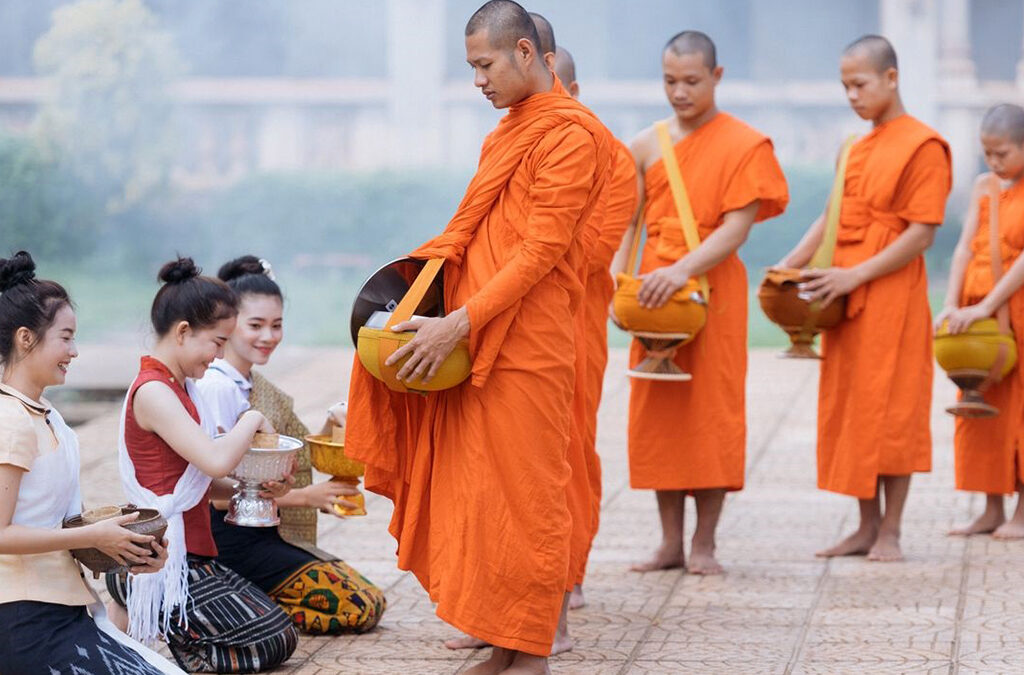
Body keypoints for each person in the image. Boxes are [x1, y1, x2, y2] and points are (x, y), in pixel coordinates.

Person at [345, 1, 613, 673]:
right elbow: (477, 232)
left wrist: (459, 322)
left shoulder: (572, 135)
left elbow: (541, 249)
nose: (477, 81)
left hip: (527, 345)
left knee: (526, 498)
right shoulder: (507, 133)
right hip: (478, 337)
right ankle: (504, 640)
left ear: (526, 53)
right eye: (472, 68)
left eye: (485, 64)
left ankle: (533, 656)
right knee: (482, 495)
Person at [611, 30, 788, 575]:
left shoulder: (744, 144)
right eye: (670, 81)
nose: (680, 92)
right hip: (653, 292)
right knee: (658, 415)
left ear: (717, 76)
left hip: (712, 289)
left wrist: (683, 269)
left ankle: (705, 542)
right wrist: (618, 283)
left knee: (711, 414)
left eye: (691, 81)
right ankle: (670, 542)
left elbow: (737, 227)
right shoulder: (644, 145)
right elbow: (628, 222)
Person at [778, 35, 951, 562]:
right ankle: (864, 526)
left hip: (891, 290)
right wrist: (792, 263)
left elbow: (921, 233)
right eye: (845, 86)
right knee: (852, 406)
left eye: (860, 84)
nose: (852, 95)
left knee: (894, 407)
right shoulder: (852, 147)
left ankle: (892, 530)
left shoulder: (924, 145)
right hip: (842, 291)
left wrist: (857, 276)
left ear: (891, 78)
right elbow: (831, 215)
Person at [107, 257, 298, 672]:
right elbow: (213, 461)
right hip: (169, 554)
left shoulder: (182, 386)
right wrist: (251, 417)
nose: (218, 354)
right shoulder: (155, 391)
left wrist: (255, 488)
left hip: (194, 552)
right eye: (216, 342)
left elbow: (199, 481)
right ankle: (160, 611)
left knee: (280, 631)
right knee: (271, 640)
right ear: (182, 332)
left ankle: (154, 607)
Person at [0, 250, 182, 674]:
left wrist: (125, 549)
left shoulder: (46, 416)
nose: (75, 351)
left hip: (61, 609)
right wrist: (97, 533)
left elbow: (57, 526)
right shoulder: (11, 421)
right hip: (22, 619)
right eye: (65, 337)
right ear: (26, 338)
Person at [195, 255, 386, 634]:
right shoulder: (215, 387)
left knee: (372, 600)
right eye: (256, 325)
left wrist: (334, 419)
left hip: (268, 531)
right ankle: (239, 602)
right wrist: (306, 497)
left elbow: (293, 454)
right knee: (357, 607)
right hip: (231, 538)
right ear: (228, 325)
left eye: (276, 325)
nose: (268, 336)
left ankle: (252, 602)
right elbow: (213, 493)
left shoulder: (256, 387)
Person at [936, 104, 1024, 540]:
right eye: (987, 153)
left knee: (1022, 413)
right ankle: (990, 507)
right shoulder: (982, 186)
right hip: (976, 312)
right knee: (979, 405)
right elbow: (964, 249)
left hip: (1015, 309)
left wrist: (987, 305)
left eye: (1003, 153)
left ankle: (1023, 511)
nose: (994, 163)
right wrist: (953, 304)